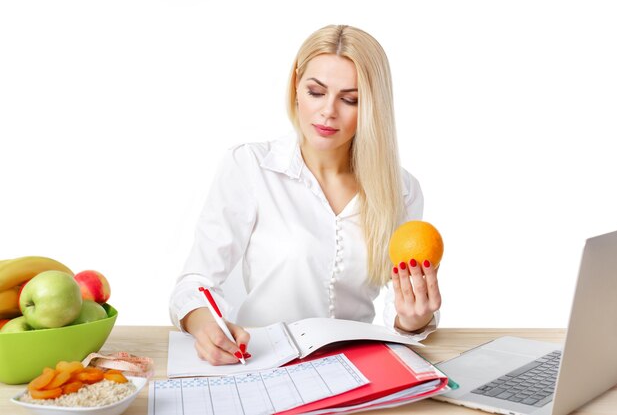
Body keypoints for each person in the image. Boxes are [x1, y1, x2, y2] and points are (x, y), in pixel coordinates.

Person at [169, 24, 442, 366]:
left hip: (353, 365)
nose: (329, 111)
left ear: (373, 106)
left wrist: (413, 319)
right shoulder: (251, 167)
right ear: (296, 85)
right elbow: (194, 283)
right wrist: (205, 324)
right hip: (260, 360)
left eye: (350, 99)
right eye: (316, 92)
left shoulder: (401, 190)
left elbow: (399, 315)